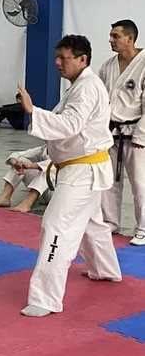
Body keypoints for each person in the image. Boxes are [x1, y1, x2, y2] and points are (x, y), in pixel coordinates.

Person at [17, 34, 121, 317]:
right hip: (85, 167)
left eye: (65, 57)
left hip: (82, 171)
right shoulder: (81, 85)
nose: (58, 63)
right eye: (58, 57)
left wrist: (32, 110)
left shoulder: (87, 88)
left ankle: (46, 299)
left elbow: (71, 125)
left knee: (56, 227)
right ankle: (106, 269)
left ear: (82, 59)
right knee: (92, 224)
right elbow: (71, 132)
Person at [98, 19, 145, 246]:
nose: (110, 40)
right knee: (109, 181)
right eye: (111, 35)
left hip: (136, 133)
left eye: (115, 36)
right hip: (110, 131)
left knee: (140, 183)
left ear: (130, 38)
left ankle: (143, 228)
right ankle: (109, 222)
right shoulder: (107, 66)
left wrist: (141, 136)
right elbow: (99, 101)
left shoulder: (144, 63)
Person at [0, 145, 52, 213]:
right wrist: (15, 163)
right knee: (21, 161)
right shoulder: (44, 149)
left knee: (49, 169)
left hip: (55, 194)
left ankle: (27, 203)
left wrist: (32, 166)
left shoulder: (62, 150)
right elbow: (17, 154)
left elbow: (55, 163)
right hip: (43, 192)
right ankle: (5, 197)